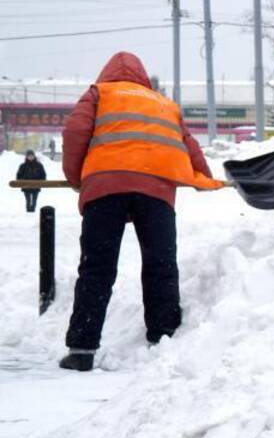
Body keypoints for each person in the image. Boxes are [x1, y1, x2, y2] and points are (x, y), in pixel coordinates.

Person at [58, 51, 223, 372]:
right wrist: (203, 178)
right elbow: (189, 145)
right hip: (156, 191)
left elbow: (75, 133)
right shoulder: (164, 103)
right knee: (161, 263)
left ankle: (81, 348)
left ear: (107, 73)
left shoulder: (99, 93)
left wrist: (78, 178)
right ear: (143, 77)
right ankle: (164, 337)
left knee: (96, 268)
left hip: (106, 188)